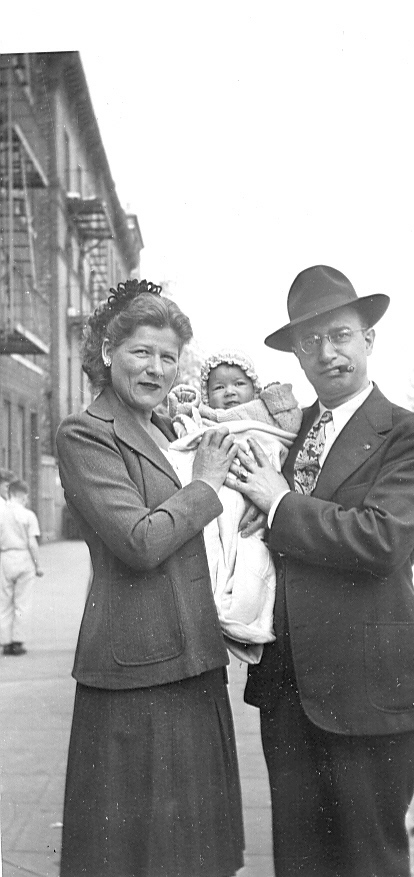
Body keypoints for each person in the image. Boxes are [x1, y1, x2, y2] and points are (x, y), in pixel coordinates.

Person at [227, 265, 414, 877]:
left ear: (368, 339)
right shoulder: (283, 435)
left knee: (368, 860)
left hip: (368, 688)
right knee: (299, 861)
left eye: (341, 335)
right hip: (288, 689)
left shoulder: (411, 436)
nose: (327, 353)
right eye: (311, 342)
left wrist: (279, 505)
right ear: (297, 355)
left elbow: (382, 539)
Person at [55, 279, 245, 877]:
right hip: (135, 670)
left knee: (195, 850)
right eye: (141, 352)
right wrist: (205, 484)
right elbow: (139, 540)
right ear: (107, 351)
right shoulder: (85, 432)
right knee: (136, 854)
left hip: (194, 657)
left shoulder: (169, 428)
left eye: (169, 356)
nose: (156, 368)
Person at [168, 350, 302, 662]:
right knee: (215, 549)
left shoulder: (262, 412)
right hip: (222, 488)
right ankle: (218, 607)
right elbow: (185, 424)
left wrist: (276, 396)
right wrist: (184, 404)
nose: (229, 392)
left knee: (252, 556)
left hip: (257, 479)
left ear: (254, 388)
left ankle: (247, 620)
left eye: (239, 384)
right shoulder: (208, 415)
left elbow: (290, 422)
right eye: (219, 387)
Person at [0, 479, 43, 656]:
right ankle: (17, 642)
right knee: (22, 602)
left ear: (9, 493)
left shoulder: (1, 514)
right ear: (24, 496)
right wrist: (37, 565)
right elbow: (32, 543)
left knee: (4, 601)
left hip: (5, 557)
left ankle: (5, 642)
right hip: (24, 557)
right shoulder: (28, 515)